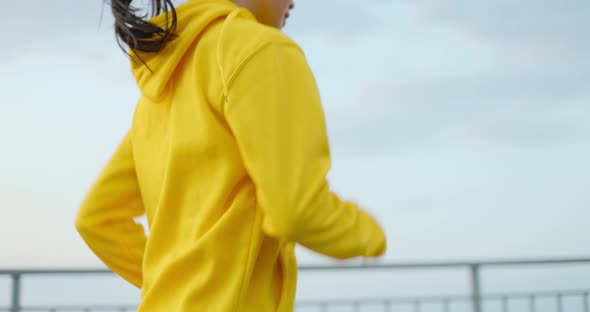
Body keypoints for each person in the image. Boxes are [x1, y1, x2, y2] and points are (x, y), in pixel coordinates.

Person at [75, 0, 387, 311]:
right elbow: (296, 209)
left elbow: (97, 219)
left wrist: (178, 285)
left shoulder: (161, 90)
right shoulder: (262, 51)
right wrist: (370, 236)